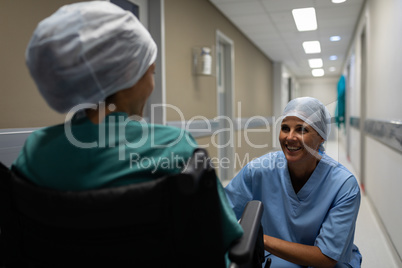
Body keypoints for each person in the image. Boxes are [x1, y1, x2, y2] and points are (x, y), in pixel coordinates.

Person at [12, 1, 242, 265]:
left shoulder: (33, 152)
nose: (152, 85)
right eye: (151, 72)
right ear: (128, 78)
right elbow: (221, 239)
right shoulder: (175, 147)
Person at [225, 97, 362, 267]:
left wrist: (257, 237)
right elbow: (222, 216)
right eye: (285, 128)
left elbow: (326, 258)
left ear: (321, 137)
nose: (290, 137)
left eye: (301, 130)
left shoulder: (343, 185)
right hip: (276, 259)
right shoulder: (258, 171)